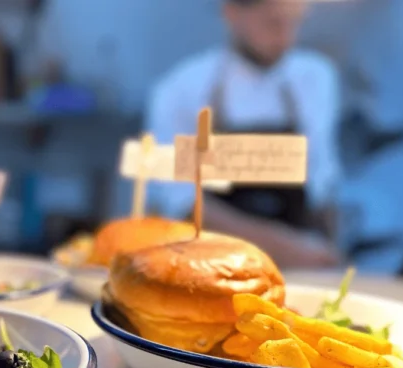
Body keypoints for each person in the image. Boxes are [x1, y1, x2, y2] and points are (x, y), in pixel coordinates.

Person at [145, 0, 342, 268]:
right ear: (232, 14)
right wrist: (278, 246)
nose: (286, 38)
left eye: (295, 22)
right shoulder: (181, 90)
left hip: (302, 267)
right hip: (210, 265)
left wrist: (327, 249)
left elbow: (322, 182)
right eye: (273, 23)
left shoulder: (316, 79)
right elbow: (180, 202)